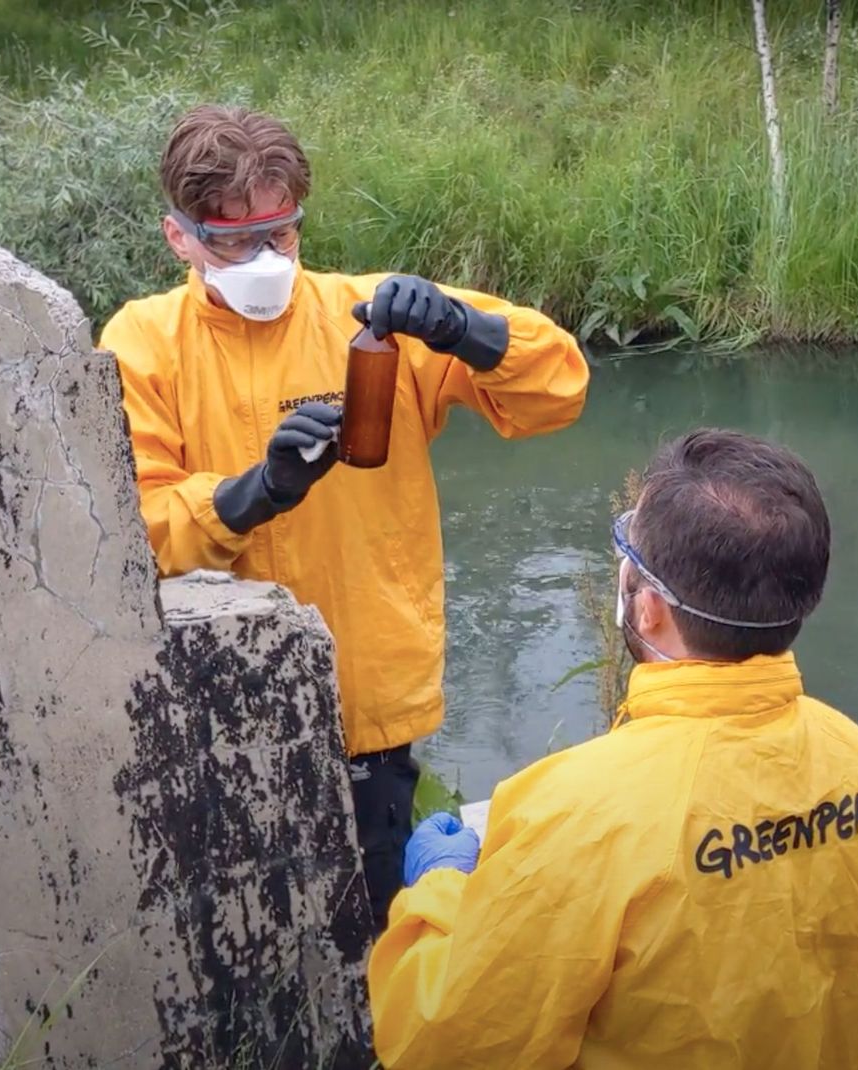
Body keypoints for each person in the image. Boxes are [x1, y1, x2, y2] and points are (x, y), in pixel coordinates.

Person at [98, 105, 590, 927]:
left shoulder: (369, 317)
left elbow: (559, 393)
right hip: (215, 707)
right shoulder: (144, 342)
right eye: (231, 239)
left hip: (368, 709)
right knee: (241, 941)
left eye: (280, 234)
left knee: (369, 938)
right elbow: (133, 531)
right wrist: (259, 490)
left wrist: (465, 330)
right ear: (178, 236)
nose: (261, 258)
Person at [368, 429, 858, 1070]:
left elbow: (443, 1045)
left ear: (652, 608)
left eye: (629, 550)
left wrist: (439, 890)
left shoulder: (579, 816)